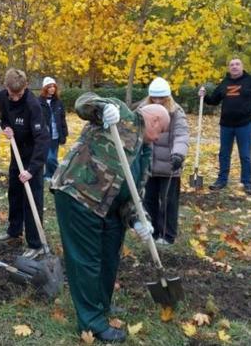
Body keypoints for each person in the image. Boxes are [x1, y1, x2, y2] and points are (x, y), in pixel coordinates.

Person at [51, 92, 169, 343]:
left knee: (109, 257)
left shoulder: (145, 154)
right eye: (161, 132)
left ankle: (101, 306)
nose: (159, 139)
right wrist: (103, 110)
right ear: (155, 121)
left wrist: (140, 220)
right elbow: (83, 102)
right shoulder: (121, 113)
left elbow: (135, 195)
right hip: (79, 195)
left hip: (111, 208)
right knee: (87, 260)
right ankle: (91, 322)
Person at [0, 68, 50, 259]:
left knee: (32, 199)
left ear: (26, 87)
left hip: (33, 156)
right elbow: (4, 120)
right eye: (12, 94)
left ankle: (36, 244)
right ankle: (14, 231)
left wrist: (32, 170)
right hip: (16, 153)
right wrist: (6, 128)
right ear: (6, 88)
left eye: (19, 94)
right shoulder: (3, 97)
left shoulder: (33, 105)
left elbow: (43, 139)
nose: (16, 98)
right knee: (15, 194)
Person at [199, 58, 251, 195]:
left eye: (237, 64)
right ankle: (221, 180)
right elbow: (214, 100)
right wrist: (204, 96)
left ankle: (247, 182)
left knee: (245, 155)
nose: (234, 67)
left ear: (242, 66)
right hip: (226, 125)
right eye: (231, 65)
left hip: (244, 124)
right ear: (228, 68)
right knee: (224, 154)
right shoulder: (224, 83)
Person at [138, 77, 189, 245]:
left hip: (169, 165)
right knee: (149, 200)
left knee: (169, 202)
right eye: (154, 97)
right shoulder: (142, 110)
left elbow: (181, 135)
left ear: (168, 97)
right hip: (149, 166)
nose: (158, 101)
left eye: (161, 98)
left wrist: (178, 155)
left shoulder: (176, 112)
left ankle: (168, 235)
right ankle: (152, 232)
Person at [39, 77, 68, 180]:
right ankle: (60, 175)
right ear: (45, 88)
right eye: (49, 86)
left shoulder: (58, 102)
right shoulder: (39, 102)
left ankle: (48, 175)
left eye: (54, 87)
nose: (52, 89)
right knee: (49, 157)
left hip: (56, 134)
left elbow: (62, 119)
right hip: (44, 135)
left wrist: (64, 134)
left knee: (53, 157)